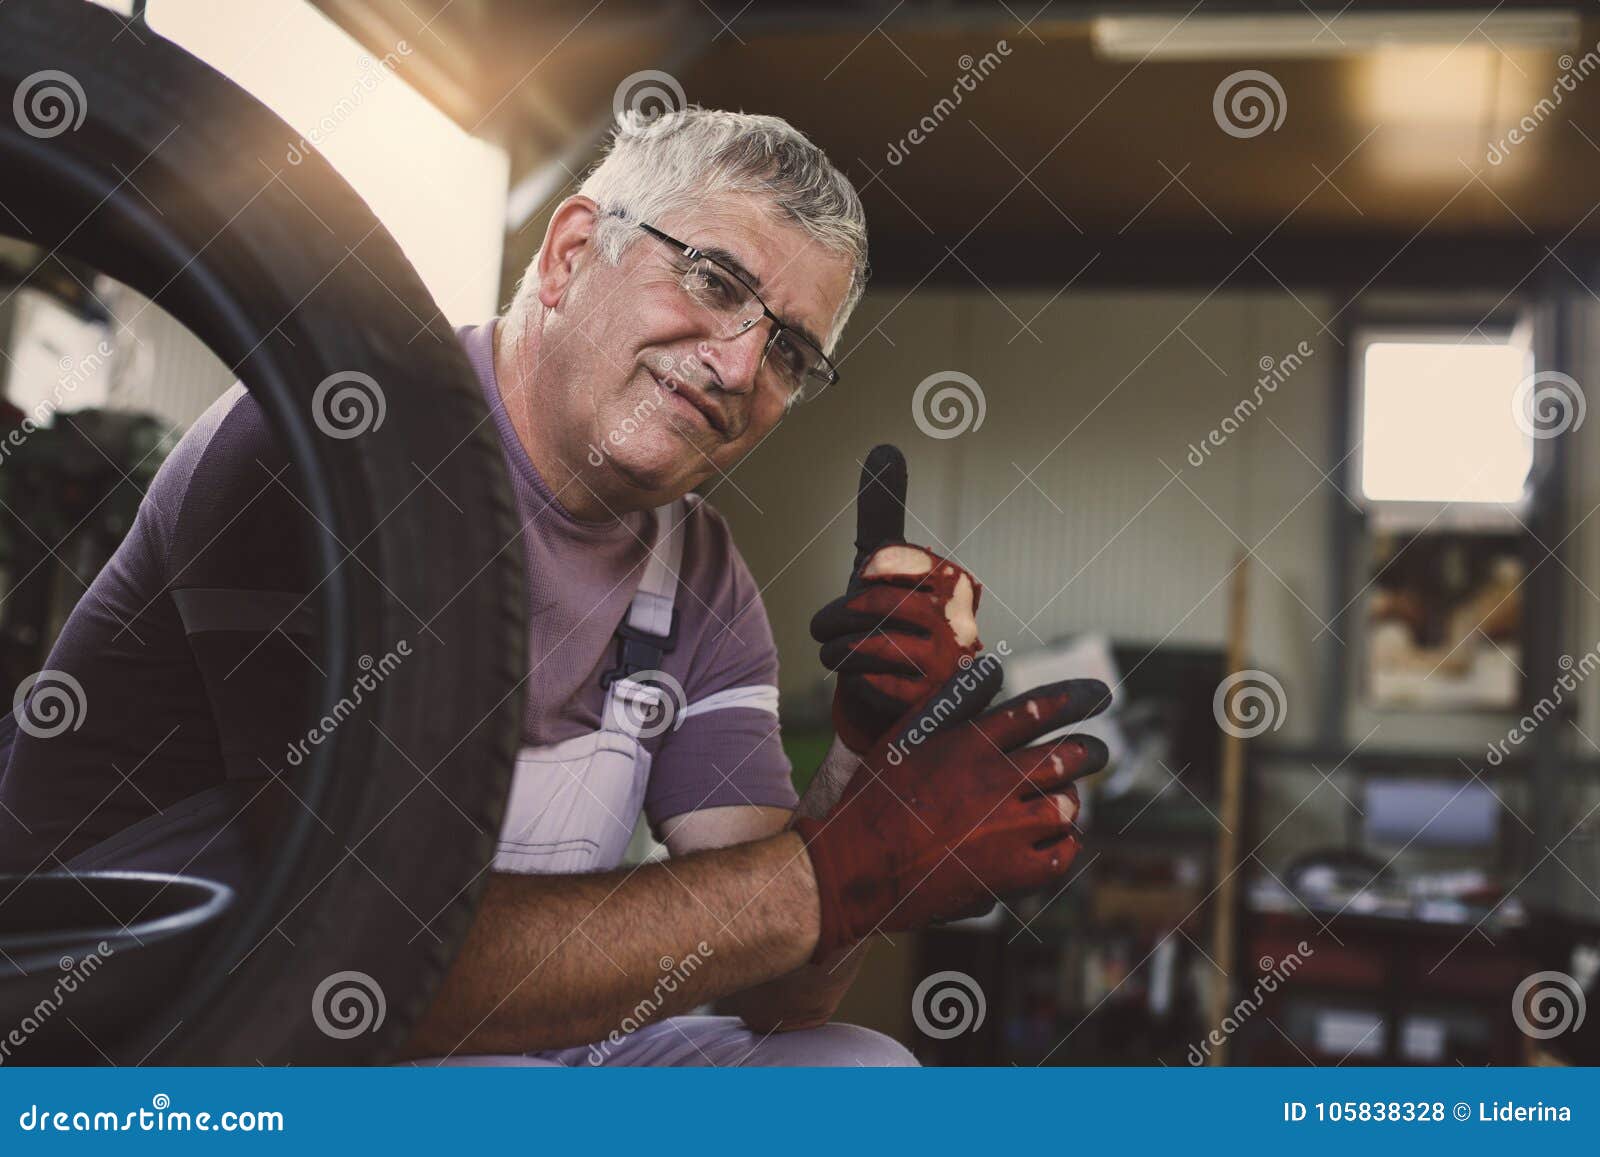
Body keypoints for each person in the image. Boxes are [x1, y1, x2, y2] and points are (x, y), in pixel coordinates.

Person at [0, 107, 1108, 1066]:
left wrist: (867, 769)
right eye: (714, 280)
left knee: (854, 1075)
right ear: (574, 249)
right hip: (147, 1035)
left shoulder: (701, 576)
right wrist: (851, 863)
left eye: (788, 353)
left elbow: (778, 990)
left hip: (479, 1034)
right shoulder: (326, 451)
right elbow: (357, 954)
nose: (735, 367)